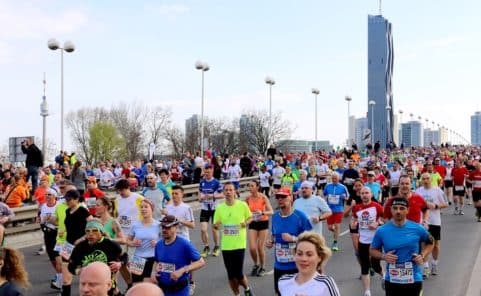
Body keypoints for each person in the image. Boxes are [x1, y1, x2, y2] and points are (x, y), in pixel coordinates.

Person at [370, 197, 434, 296]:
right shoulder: (382, 230)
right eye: (395, 208)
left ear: (407, 210)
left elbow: (431, 242)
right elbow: (372, 250)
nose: (398, 211)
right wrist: (384, 256)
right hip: (392, 279)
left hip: (414, 279)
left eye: (401, 208)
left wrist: (422, 255)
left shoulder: (417, 228)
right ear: (391, 209)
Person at [266, 187, 312, 295]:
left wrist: (293, 239)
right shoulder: (275, 217)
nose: (280, 199)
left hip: (297, 265)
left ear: (291, 198)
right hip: (279, 265)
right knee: (280, 293)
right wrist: (271, 242)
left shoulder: (300, 216)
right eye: (278, 197)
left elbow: (311, 240)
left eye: (283, 197)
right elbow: (274, 235)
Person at [213, 182, 254, 296]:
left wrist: (245, 223)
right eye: (226, 190)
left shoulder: (242, 205)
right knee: (231, 275)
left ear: (235, 191)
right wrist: (216, 225)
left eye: (231, 190)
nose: (228, 192)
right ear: (223, 192)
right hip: (226, 245)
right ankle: (236, 294)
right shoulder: (220, 208)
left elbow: (250, 217)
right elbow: (215, 225)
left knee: (239, 273)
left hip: (239, 244)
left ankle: (246, 288)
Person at [151, 215, 205, 296]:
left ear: (176, 227)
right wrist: (154, 272)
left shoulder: (185, 244)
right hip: (162, 289)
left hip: (180, 290)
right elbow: (157, 261)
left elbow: (201, 262)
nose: (164, 230)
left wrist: (183, 270)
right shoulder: (158, 245)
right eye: (163, 227)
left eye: (168, 227)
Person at [69, 220, 123, 296]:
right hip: (88, 284)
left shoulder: (111, 244)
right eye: (87, 231)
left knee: (114, 292)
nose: (90, 234)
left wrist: (119, 263)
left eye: (94, 230)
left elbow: (124, 256)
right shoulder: (80, 247)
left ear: (101, 232)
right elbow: (71, 265)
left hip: (107, 282)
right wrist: (78, 271)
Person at [278, 231, 340, 296]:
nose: (303, 259)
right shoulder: (283, 281)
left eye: (309, 254)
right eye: (299, 254)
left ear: (320, 257)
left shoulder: (326, 283)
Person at [351, 187, 384, 296]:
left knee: (375, 265)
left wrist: (377, 223)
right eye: (362, 193)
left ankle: (384, 276)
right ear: (360, 195)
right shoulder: (356, 208)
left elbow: (385, 220)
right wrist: (353, 223)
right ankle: (367, 291)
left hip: (375, 241)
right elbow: (354, 218)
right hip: (363, 241)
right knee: (364, 266)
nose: (364, 195)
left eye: (367, 193)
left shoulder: (377, 206)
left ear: (371, 194)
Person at [164, 185, 196, 295]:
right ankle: (171, 282)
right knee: (171, 262)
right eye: (172, 194)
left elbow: (192, 225)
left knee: (189, 262)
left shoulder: (186, 208)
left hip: (184, 239)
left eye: (176, 193)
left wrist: (180, 221)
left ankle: (191, 282)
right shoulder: (168, 208)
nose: (174, 196)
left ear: (182, 194)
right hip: (170, 240)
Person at [415, 173, 448, 277]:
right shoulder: (418, 191)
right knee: (424, 244)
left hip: (435, 221)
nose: (425, 180)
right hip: (422, 222)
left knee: (435, 245)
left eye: (427, 178)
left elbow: (446, 203)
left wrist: (436, 205)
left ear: (431, 179)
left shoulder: (437, 190)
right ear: (421, 180)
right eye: (423, 179)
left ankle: (434, 264)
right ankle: (425, 267)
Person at [62, 189, 93, 296]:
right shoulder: (67, 211)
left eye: (69, 199)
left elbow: (93, 226)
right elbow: (70, 226)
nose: (67, 201)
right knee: (65, 279)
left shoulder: (83, 211)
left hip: (81, 246)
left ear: (76, 199)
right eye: (66, 199)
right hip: (68, 245)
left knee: (84, 276)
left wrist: (82, 238)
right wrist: (64, 231)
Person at [115, 179, 144, 290]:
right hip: (122, 235)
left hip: (136, 234)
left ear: (128, 188)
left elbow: (148, 211)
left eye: (122, 190)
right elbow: (116, 216)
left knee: (134, 264)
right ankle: (130, 284)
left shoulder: (138, 198)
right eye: (118, 190)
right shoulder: (117, 200)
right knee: (120, 262)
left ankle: (139, 286)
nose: (120, 193)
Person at [126, 199, 160, 283]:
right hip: (138, 258)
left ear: (152, 209)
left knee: (148, 285)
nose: (143, 209)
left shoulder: (158, 225)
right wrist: (133, 243)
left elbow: (165, 242)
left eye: (146, 207)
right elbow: (127, 241)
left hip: (152, 258)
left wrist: (158, 243)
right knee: (136, 284)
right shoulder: (135, 225)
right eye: (141, 207)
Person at [245, 180, 273, 277]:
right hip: (253, 223)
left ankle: (262, 267)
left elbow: (271, 211)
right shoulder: (247, 198)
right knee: (252, 248)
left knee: (260, 248)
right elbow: (244, 211)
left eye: (252, 186)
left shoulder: (263, 197)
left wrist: (262, 213)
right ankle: (256, 264)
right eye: (249, 186)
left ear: (257, 187)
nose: (250, 188)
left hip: (263, 223)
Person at [38, 188, 62, 290]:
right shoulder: (43, 206)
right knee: (51, 256)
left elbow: (61, 222)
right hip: (47, 233)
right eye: (46, 194)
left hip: (58, 233)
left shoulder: (59, 206)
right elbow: (42, 220)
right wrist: (42, 221)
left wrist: (52, 220)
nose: (47, 196)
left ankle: (60, 278)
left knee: (57, 255)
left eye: (49, 195)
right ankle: (59, 273)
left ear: (54, 196)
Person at [198, 164, 224, 257]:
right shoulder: (202, 182)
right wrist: (200, 198)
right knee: (203, 229)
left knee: (214, 229)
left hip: (215, 209)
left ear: (212, 171)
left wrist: (212, 196)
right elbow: (199, 193)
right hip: (204, 208)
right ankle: (206, 247)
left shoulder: (217, 182)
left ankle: (217, 247)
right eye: (205, 172)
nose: (207, 173)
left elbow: (222, 195)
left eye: (209, 172)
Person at [323, 172, 349, 251]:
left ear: (338, 179)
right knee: (330, 227)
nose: (334, 180)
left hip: (339, 209)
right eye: (333, 178)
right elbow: (324, 195)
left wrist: (344, 197)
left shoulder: (343, 187)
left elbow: (347, 197)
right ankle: (336, 232)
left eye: (335, 178)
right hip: (329, 209)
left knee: (337, 226)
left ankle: (335, 242)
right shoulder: (327, 186)